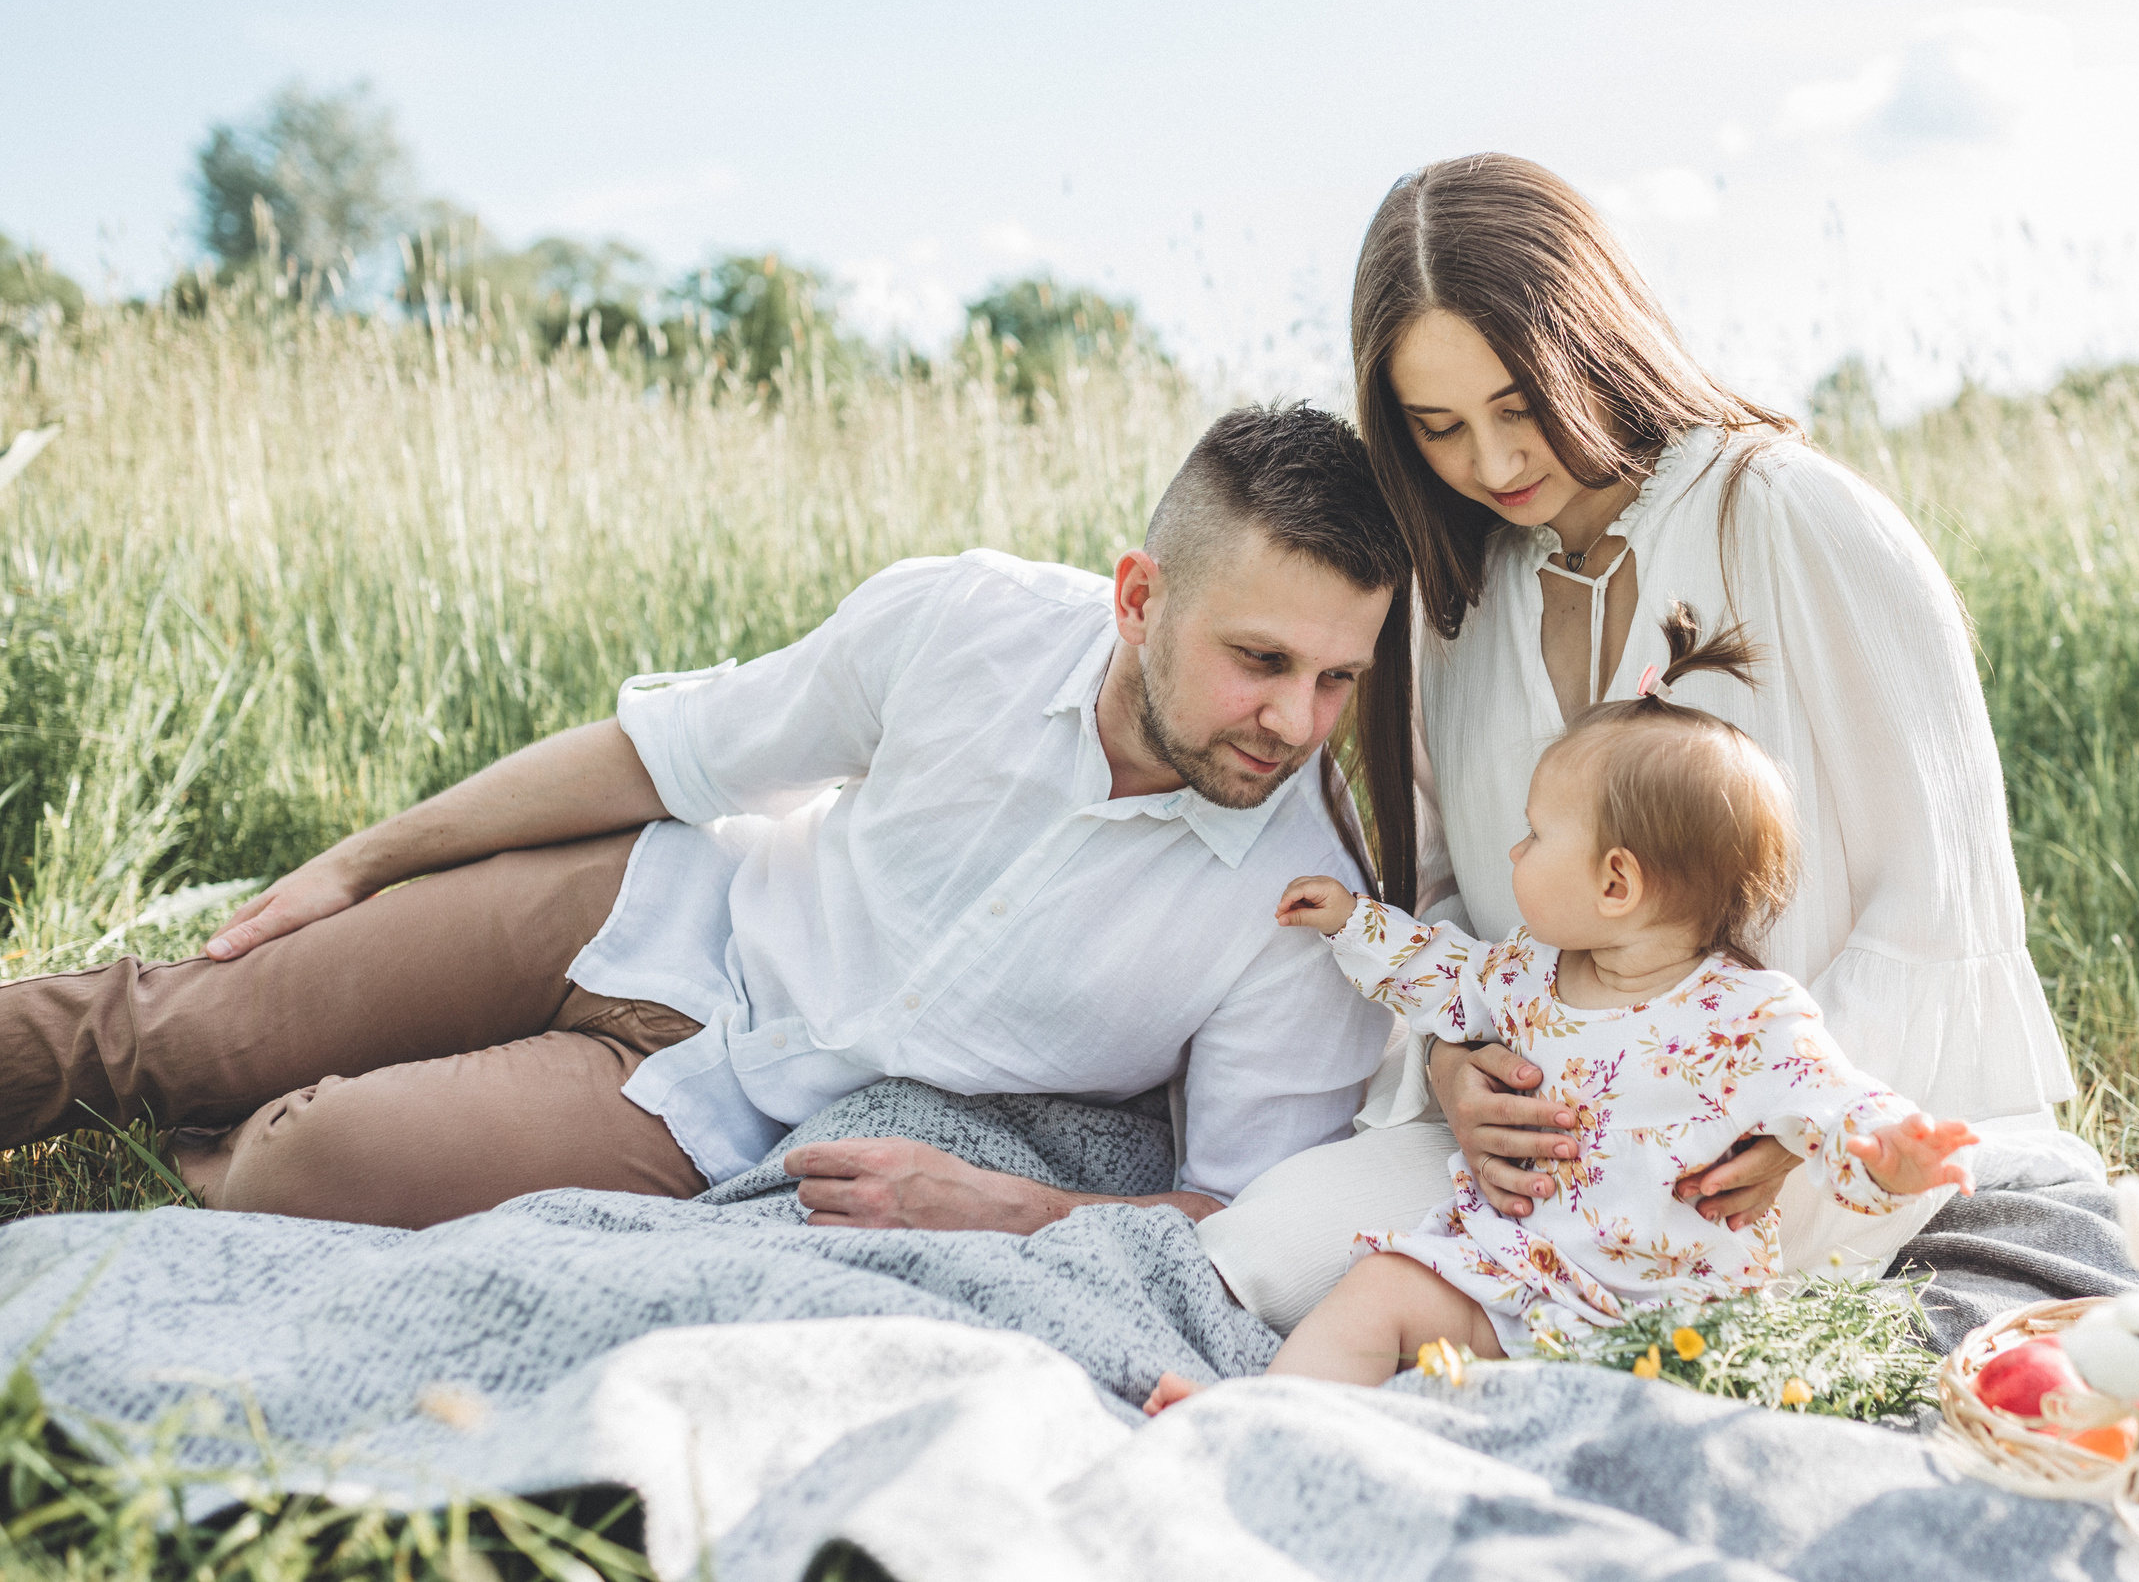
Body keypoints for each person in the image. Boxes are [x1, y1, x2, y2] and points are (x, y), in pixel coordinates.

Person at [0, 403, 1403, 1230]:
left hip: (711, 1110)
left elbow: (1242, 1211)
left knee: (309, 1155)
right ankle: (188, 1075)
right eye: (1261, 660)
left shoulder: (1302, 907)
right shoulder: (966, 617)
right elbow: (663, 754)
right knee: (180, 1020)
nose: (1296, 721)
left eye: (1339, 676)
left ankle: (210, 1137)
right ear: (1141, 596)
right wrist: (353, 862)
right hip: (656, 904)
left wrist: (1018, 1208)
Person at [1194, 155, 2075, 1331]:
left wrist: (1788, 1122)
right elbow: (1452, 892)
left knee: (1695, 1313)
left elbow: (1941, 895)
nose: (1495, 465)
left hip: (1799, 1131)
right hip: (1560, 1152)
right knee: (1262, 1252)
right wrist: (1459, 1072)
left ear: (1594, 342)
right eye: (1440, 427)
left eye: (1518, 405)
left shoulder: (1790, 515)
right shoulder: (1456, 592)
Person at [1147, 604, 1977, 1404]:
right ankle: (1263, 1414)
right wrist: (1352, 921)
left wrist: (1892, 1147)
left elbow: (1829, 1100)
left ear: (1615, 881)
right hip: (1518, 1284)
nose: (1514, 849)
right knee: (1380, 1289)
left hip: (1671, 1323)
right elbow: (1441, 970)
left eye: (1536, 834)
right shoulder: (1528, 972)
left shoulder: (1748, 1015)